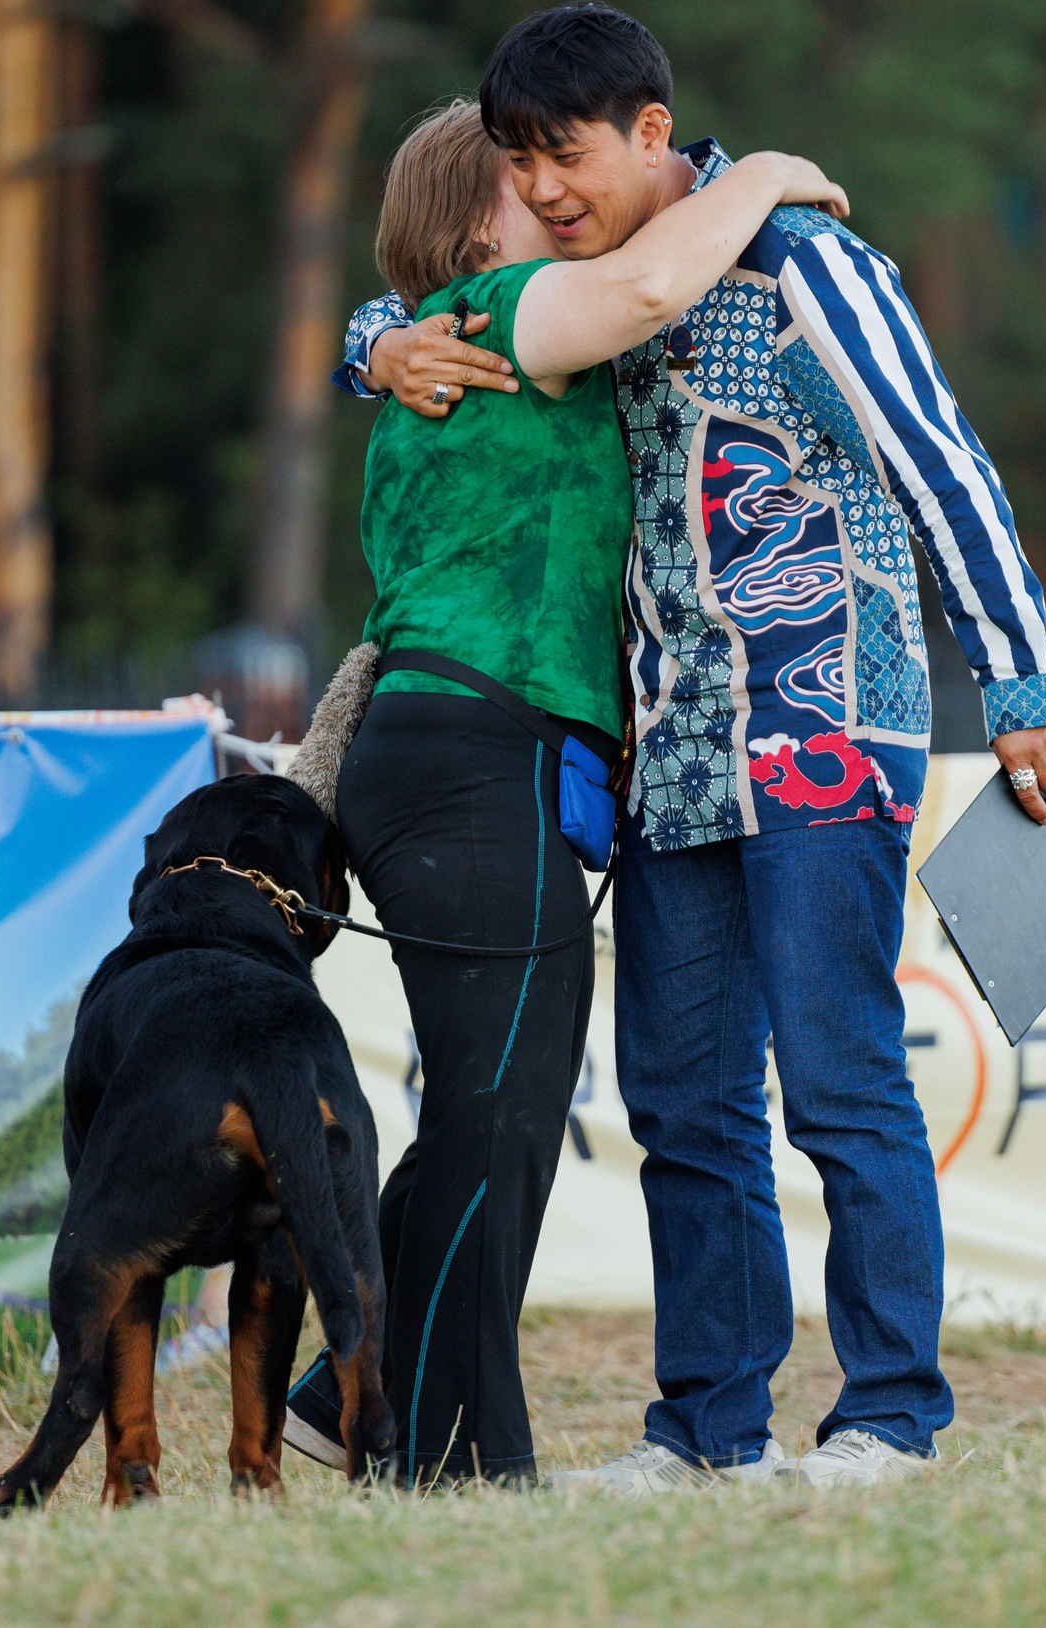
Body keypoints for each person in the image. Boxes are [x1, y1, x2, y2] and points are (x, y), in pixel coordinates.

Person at [335, 5, 1046, 1492]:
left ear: (652, 134)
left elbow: (945, 457)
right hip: (671, 750)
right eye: (521, 166)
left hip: (825, 725)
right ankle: (704, 1428)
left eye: (568, 156)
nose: (546, 190)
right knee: (683, 1098)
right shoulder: (598, 286)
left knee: (840, 1077)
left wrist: (1020, 676)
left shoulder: (811, 264)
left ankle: (890, 1416)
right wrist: (374, 341)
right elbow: (461, 317)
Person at [278, 100, 851, 1488]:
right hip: (482, 752)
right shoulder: (513, 312)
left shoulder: (449, 339)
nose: (555, 188)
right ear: (481, 221)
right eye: (523, 176)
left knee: (491, 1105)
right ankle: (453, 1455)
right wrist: (765, 170)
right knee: (501, 1116)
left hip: (445, 752)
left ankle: (347, 1395)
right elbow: (659, 278)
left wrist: (371, 337)